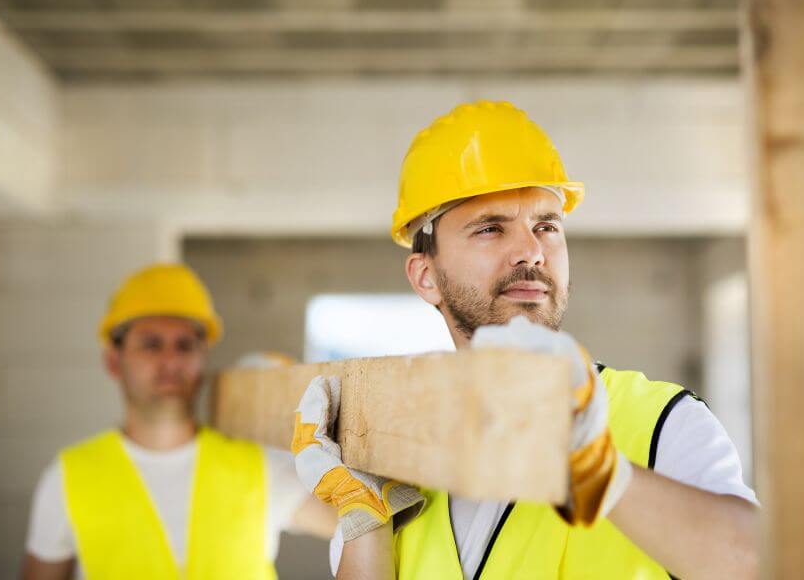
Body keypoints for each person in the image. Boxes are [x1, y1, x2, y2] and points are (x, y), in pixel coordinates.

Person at [291, 101, 759, 579]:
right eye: (491, 228)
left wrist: (602, 475)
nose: (531, 251)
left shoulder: (661, 422)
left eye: (547, 226)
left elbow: (763, 567)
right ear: (425, 275)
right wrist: (362, 516)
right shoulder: (392, 463)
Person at [21, 263, 335, 580]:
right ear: (114, 361)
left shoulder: (258, 465)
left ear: (202, 358)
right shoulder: (68, 478)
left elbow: (356, 519)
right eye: (151, 344)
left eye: (185, 345)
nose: (171, 360)